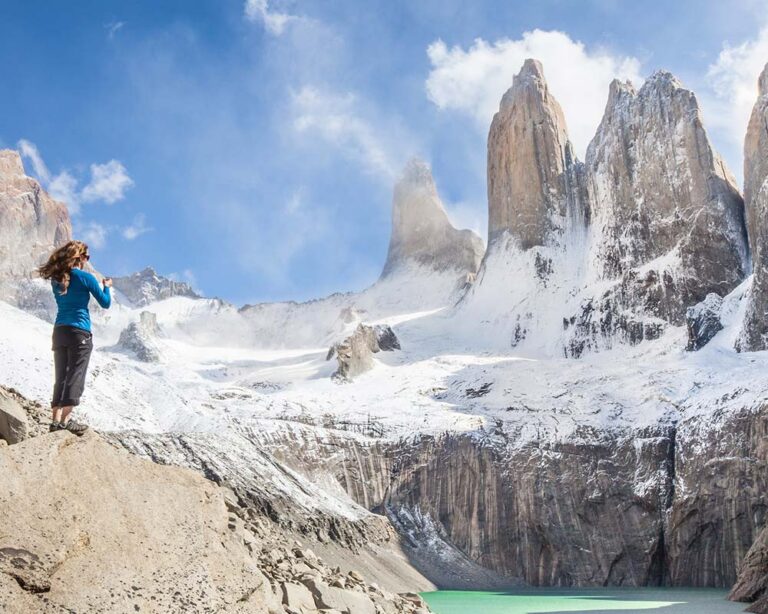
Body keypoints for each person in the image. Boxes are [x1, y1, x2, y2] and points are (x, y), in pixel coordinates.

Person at [37, 240, 112, 435]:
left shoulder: (56, 279)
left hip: (59, 331)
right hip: (80, 332)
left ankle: (55, 421)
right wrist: (106, 287)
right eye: (86, 257)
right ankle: (66, 420)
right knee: (75, 375)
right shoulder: (85, 277)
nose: (87, 260)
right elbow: (105, 303)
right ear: (79, 257)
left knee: (60, 375)